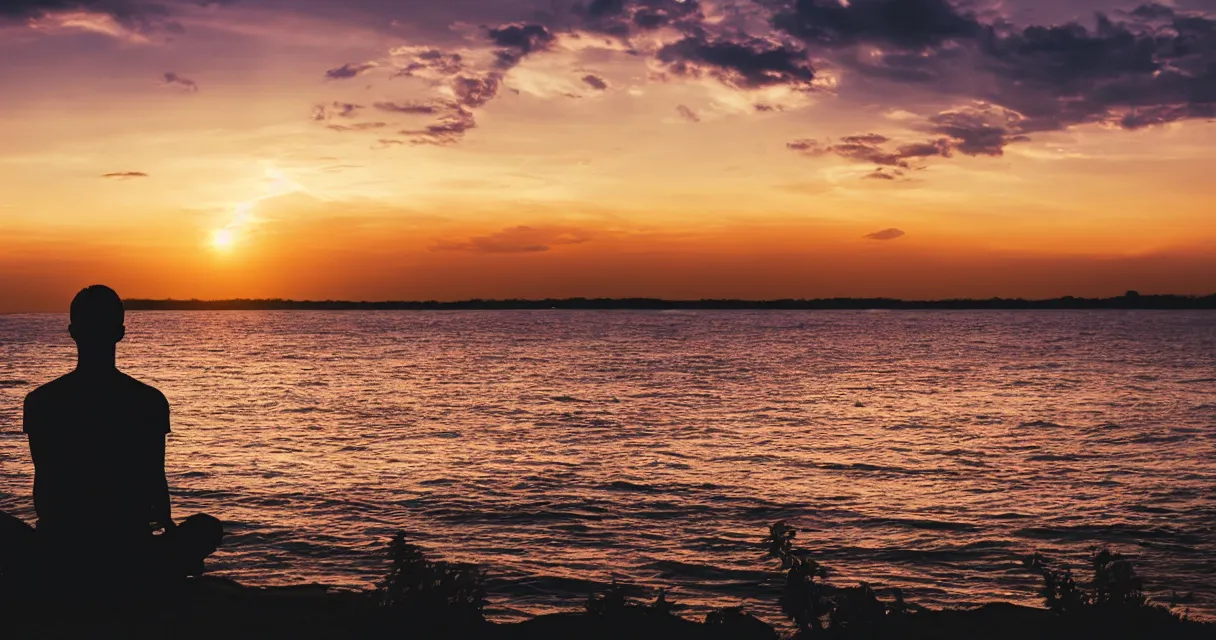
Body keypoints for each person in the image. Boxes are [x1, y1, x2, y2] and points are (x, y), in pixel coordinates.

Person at [0, 285, 223, 599]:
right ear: (119, 333)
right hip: (128, 551)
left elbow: (46, 484)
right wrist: (172, 541)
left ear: (73, 332)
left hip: (58, 552)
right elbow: (156, 486)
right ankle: (150, 573)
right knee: (206, 527)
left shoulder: (41, 401)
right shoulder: (149, 401)